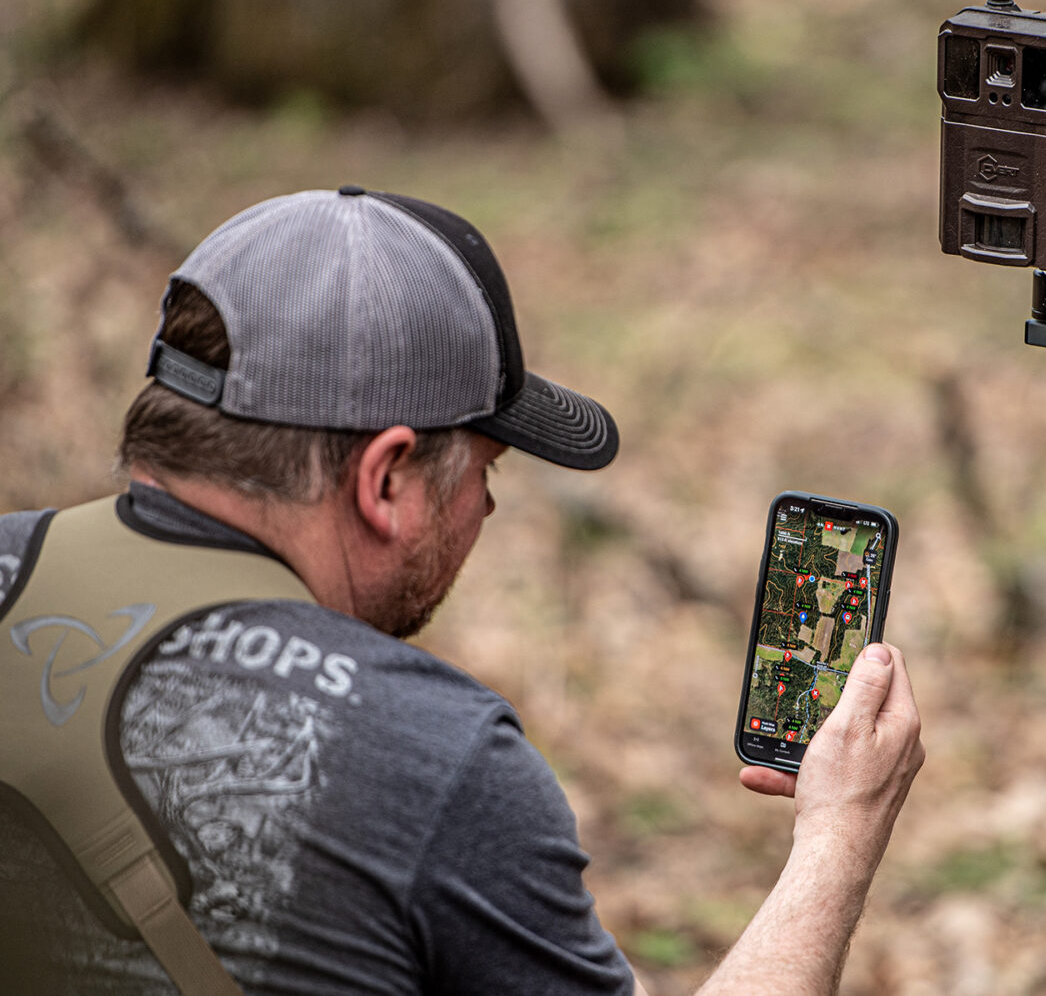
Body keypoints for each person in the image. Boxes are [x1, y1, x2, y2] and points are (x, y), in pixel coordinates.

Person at [0, 187, 924, 995]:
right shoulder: (429, 757)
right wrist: (840, 832)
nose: (487, 503)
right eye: (486, 464)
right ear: (387, 478)